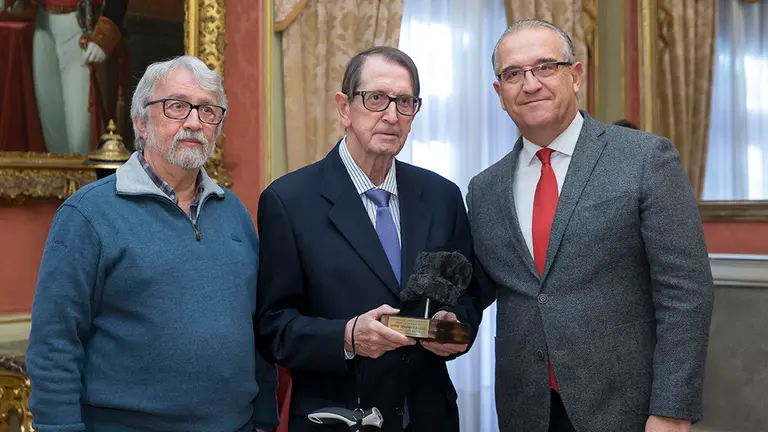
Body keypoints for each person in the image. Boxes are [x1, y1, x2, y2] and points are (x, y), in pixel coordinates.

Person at [467, 20, 714, 432]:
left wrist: (672, 409)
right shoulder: (484, 188)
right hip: (526, 410)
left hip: (626, 409)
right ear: (500, 93)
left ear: (576, 75)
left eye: (545, 67)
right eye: (513, 74)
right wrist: (437, 323)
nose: (530, 84)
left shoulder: (644, 159)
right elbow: (480, 290)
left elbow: (686, 293)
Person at [26, 56, 278, 432]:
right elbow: (54, 344)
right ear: (141, 122)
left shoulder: (234, 212)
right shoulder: (87, 215)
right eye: (177, 106)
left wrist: (263, 418)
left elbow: (256, 327)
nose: (194, 122)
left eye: (208, 111)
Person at [255, 46, 483, 432]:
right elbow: (273, 327)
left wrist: (455, 328)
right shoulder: (288, 201)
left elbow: (468, 295)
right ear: (345, 107)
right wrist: (347, 337)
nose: (391, 115)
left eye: (405, 102)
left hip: (429, 417)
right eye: (376, 98)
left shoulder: (442, 196)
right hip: (337, 418)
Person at [32, 0, 129, 154]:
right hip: (41, 22)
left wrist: (104, 33)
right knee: (51, 125)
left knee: (79, 134)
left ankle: (82, 178)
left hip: (81, 24)